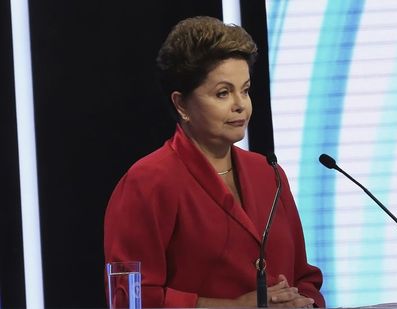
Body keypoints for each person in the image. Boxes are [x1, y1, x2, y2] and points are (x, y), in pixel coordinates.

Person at [104, 16, 325, 308]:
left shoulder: (268, 173)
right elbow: (131, 298)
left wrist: (305, 302)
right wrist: (236, 307)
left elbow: (305, 278)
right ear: (181, 105)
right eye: (223, 93)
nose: (240, 104)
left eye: (244, 90)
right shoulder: (147, 182)